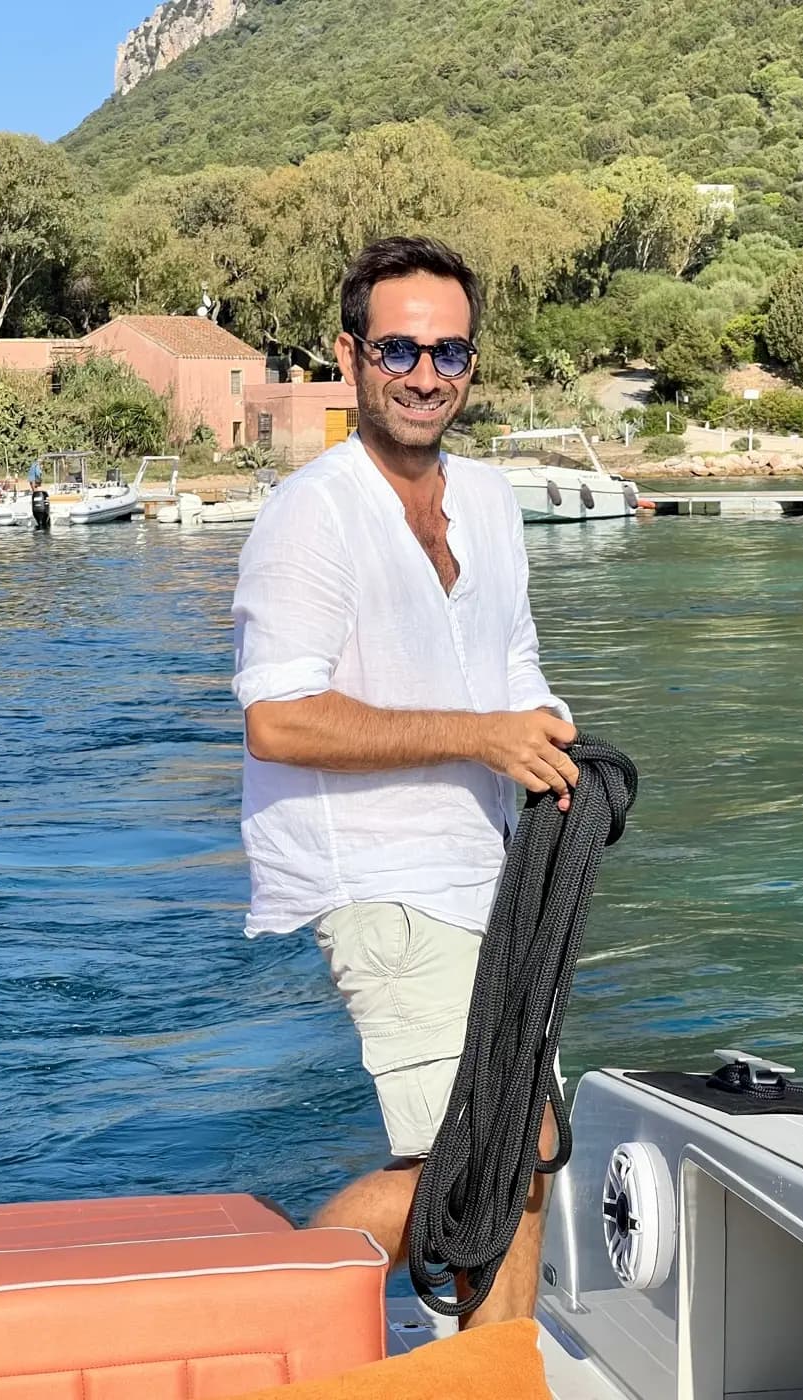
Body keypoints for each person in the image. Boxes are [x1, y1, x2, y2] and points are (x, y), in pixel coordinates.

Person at [232, 235, 579, 1327]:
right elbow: (279, 719)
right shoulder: (313, 513)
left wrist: (550, 739)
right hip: (380, 880)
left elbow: (511, 663)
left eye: (450, 352)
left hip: (486, 871)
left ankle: (489, 1375)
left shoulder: (490, 500)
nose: (426, 374)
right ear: (350, 356)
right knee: (491, 1157)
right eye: (399, 349)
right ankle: (255, 1326)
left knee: (521, 1153)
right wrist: (482, 737)